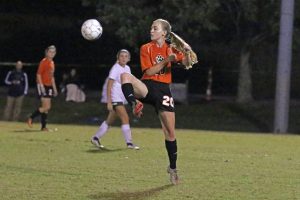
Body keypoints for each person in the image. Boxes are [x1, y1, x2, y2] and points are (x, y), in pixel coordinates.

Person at [120, 19, 193, 185]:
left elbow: (187, 64)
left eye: (155, 28)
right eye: (151, 28)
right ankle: (133, 104)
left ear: (164, 33)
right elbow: (150, 71)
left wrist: (187, 53)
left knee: (170, 133)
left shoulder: (172, 48)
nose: (151, 30)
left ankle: (173, 169)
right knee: (125, 76)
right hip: (147, 86)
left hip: (163, 91)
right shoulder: (146, 48)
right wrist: (167, 60)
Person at [91, 49, 139, 150]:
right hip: (115, 97)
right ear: (118, 57)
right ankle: (129, 144)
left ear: (129, 59)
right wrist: (109, 101)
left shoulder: (127, 68)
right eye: (121, 56)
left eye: (126, 56)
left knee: (110, 120)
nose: (123, 58)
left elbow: (128, 84)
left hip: (121, 98)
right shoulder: (115, 68)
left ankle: (95, 138)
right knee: (125, 118)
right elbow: (109, 84)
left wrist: (133, 98)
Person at [27, 45, 58, 131]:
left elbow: (52, 77)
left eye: (53, 52)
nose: (51, 53)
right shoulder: (44, 62)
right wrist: (41, 86)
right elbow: (38, 74)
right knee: (46, 107)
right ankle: (31, 117)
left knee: (46, 107)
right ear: (46, 52)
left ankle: (43, 127)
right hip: (43, 85)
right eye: (50, 52)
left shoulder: (52, 63)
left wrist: (54, 88)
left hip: (49, 86)